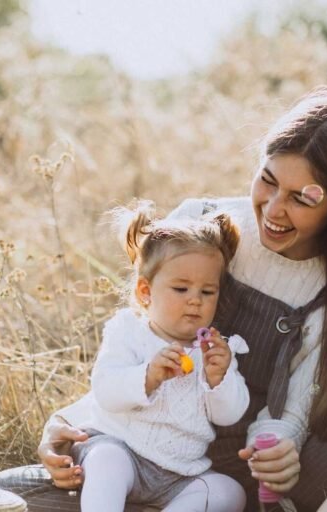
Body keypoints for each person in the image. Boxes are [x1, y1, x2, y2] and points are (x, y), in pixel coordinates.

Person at [0, 87, 327, 512]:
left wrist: (283, 452)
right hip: (150, 456)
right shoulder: (203, 224)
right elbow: (137, 342)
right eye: (268, 180)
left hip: (260, 481)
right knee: (3, 491)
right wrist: (65, 423)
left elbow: (293, 416)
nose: (274, 210)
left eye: (302, 198)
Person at [33, 204, 250, 511]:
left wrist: (219, 380)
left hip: (179, 473)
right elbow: (105, 391)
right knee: (107, 461)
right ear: (145, 292)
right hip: (121, 449)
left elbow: (229, 415)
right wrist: (147, 377)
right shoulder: (129, 331)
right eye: (180, 288)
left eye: (208, 292)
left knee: (227, 492)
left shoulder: (215, 351)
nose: (194, 300)